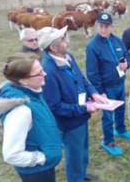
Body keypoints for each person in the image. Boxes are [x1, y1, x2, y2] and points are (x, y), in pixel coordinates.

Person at [38, 26, 107, 182]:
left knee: (82, 149)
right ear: (54, 48)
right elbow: (55, 107)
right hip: (70, 121)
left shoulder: (68, 57)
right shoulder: (48, 71)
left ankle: (82, 174)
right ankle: (76, 178)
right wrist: (85, 107)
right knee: (74, 153)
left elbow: (81, 78)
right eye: (63, 39)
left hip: (81, 115)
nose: (67, 41)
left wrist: (94, 93)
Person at [0, 53, 62, 182]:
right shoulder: (21, 112)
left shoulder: (33, 93)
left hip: (44, 167)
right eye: (39, 73)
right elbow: (11, 155)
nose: (45, 74)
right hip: (37, 172)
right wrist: (42, 158)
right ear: (23, 81)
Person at [86, 12, 130, 157]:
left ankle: (120, 129)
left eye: (106, 26)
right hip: (106, 87)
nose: (103, 29)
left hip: (120, 83)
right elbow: (92, 73)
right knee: (107, 116)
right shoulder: (92, 46)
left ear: (111, 27)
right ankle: (108, 141)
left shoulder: (117, 41)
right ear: (97, 26)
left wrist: (127, 64)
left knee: (120, 108)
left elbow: (127, 57)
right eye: (100, 26)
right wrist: (99, 92)